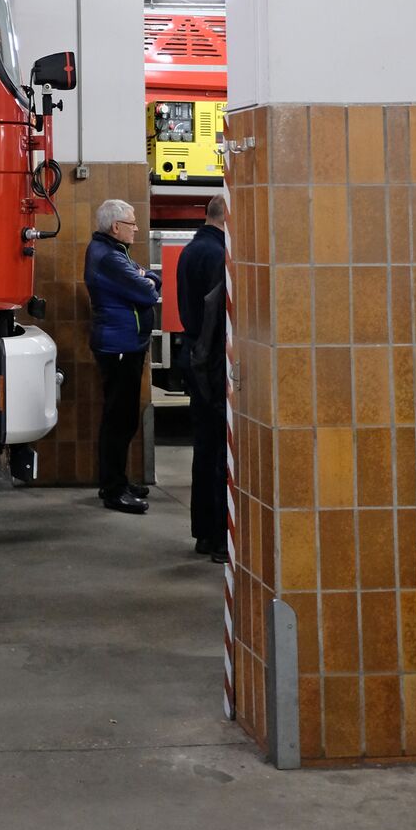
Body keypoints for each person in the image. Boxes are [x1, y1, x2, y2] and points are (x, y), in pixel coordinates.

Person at [83, 199, 160, 514]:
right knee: (119, 419)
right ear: (116, 227)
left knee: (124, 418)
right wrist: (146, 281)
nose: (137, 228)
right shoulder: (110, 258)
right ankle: (114, 490)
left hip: (126, 345)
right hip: (119, 348)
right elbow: (148, 291)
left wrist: (146, 278)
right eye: (132, 223)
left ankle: (118, 481)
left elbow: (148, 277)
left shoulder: (114, 252)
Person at [177, 194, 228, 561]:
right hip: (212, 361)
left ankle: (204, 533)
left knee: (204, 447)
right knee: (221, 452)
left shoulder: (191, 249)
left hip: (193, 354)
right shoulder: (219, 255)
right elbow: (216, 318)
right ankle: (221, 539)